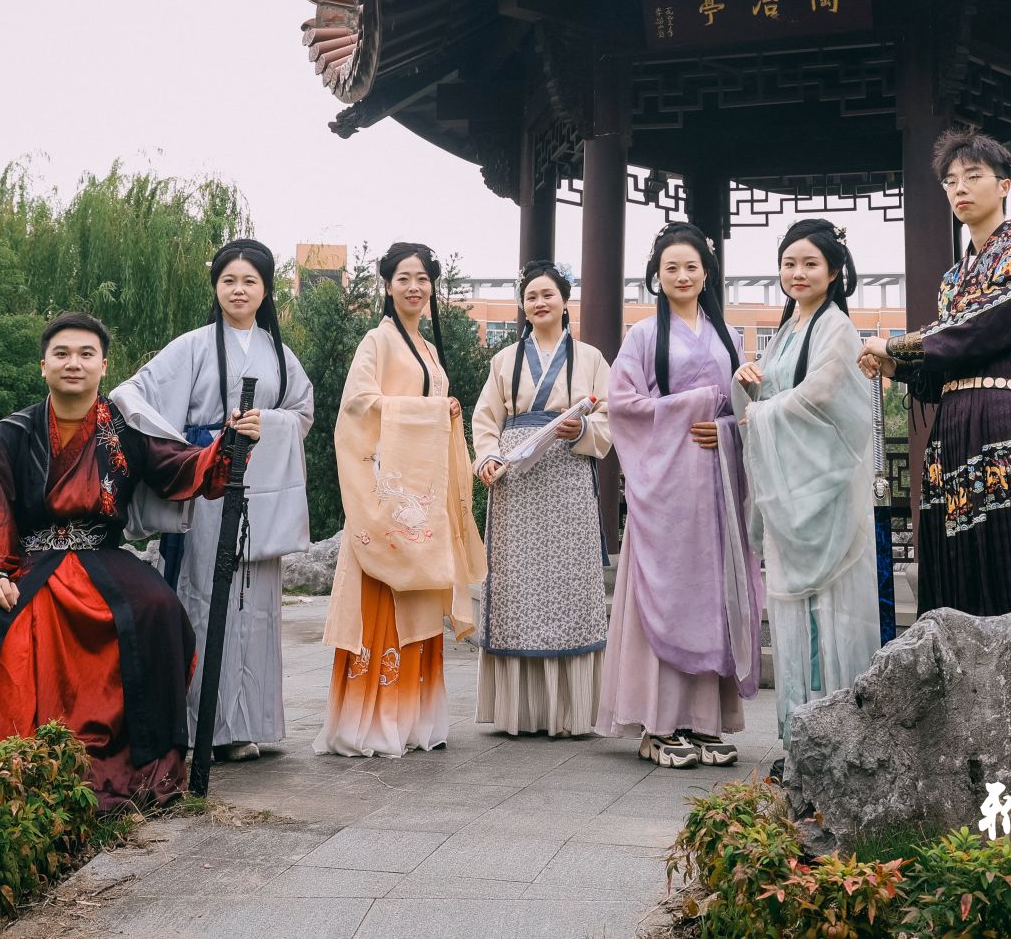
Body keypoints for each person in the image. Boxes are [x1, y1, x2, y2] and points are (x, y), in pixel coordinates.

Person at [0, 312, 236, 810]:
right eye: (62, 354)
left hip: (103, 556)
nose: (74, 363)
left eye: (86, 354)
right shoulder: (14, 432)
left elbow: (178, 467)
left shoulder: (125, 428)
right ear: (43, 365)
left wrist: (229, 444)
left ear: (104, 366)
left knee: (160, 610)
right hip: (31, 560)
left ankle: (142, 767)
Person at [859, 129, 1011, 616]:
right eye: (950, 180)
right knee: (956, 562)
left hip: (1008, 418)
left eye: (973, 176)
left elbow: (981, 327)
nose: (959, 187)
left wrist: (896, 344)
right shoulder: (952, 279)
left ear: (1005, 185)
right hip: (954, 425)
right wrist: (895, 366)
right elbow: (946, 361)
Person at [110, 239, 313, 762]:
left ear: (265, 289)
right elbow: (131, 396)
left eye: (249, 281)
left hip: (258, 489)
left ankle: (247, 724)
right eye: (228, 281)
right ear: (216, 287)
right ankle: (198, 727)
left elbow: (302, 414)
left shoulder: (280, 354)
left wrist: (267, 423)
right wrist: (182, 451)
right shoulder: (192, 346)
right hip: (206, 487)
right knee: (201, 596)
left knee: (256, 601)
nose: (238, 290)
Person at [595, 222, 762, 769]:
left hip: (716, 485)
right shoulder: (643, 336)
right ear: (657, 276)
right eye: (672, 268)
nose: (683, 276)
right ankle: (658, 724)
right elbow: (624, 407)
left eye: (692, 267)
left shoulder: (728, 336)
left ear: (707, 273)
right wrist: (692, 407)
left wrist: (729, 427)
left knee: (712, 595)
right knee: (665, 591)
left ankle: (704, 722)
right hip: (665, 487)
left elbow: (741, 407)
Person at [315, 242, 486, 757]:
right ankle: (369, 724)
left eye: (423, 279)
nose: (414, 287)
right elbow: (357, 406)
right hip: (386, 500)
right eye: (404, 278)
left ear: (433, 286)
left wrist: (443, 412)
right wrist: (430, 412)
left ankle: (412, 721)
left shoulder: (427, 348)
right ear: (387, 286)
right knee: (383, 604)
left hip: (420, 500)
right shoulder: (377, 341)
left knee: (419, 604)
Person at [734, 219, 883, 741]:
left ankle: (838, 733)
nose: (797, 273)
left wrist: (761, 412)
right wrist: (748, 379)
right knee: (794, 614)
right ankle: (797, 736)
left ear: (834, 271)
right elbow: (773, 393)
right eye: (789, 263)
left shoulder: (837, 328)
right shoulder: (785, 330)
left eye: (810, 264)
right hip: (789, 490)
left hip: (826, 487)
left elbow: (820, 394)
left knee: (831, 610)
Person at [470, 260, 613, 738]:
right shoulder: (504, 360)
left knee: (569, 584)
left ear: (565, 300)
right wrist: (488, 457)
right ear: (522, 305)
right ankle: (520, 711)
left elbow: (612, 416)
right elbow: (485, 419)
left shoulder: (591, 358)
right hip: (516, 482)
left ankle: (569, 712)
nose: (539, 302)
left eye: (548, 294)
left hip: (568, 479)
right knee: (517, 588)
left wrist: (583, 427)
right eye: (531, 296)